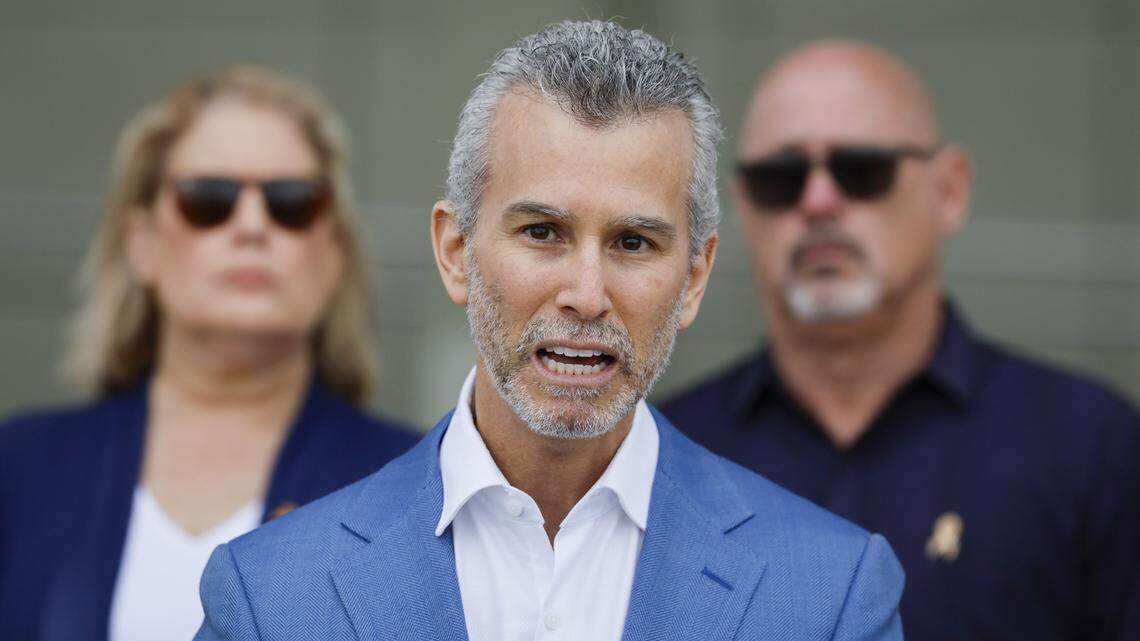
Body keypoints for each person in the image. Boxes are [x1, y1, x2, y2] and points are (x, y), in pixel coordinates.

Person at [194, 21, 904, 641]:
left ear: (693, 277)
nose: (586, 296)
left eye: (633, 242)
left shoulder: (830, 594)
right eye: (542, 231)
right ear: (455, 253)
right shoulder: (271, 596)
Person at [662, 40, 1140, 640]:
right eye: (779, 180)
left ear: (950, 191)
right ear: (739, 209)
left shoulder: (1090, 445)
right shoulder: (667, 453)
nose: (818, 202)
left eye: (863, 171)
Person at [0, 65, 419, 641]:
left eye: (292, 203)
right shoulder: (21, 468)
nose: (251, 225)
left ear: (334, 252)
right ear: (142, 243)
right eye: (209, 199)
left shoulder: (414, 485)